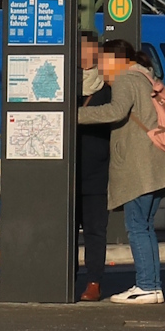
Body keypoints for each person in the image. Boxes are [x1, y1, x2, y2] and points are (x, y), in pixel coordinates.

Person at [79, 37, 165, 302]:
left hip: (139, 167)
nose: (101, 67)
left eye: (103, 61)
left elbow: (116, 111)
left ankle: (146, 285)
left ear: (117, 60)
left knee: (136, 227)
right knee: (145, 227)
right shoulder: (145, 77)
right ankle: (153, 286)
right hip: (156, 164)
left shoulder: (126, 78)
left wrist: (72, 115)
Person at [73, 31, 112, 302]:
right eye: (80, 49)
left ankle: (94, 282)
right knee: (65, 230)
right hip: (66, 172)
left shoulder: (108, 89)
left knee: (95, 231)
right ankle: (66, 277)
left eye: (89, 50)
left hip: (97, 171)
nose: (84, 56)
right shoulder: (62, 85)